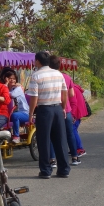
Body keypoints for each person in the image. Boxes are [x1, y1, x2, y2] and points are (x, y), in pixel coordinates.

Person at [27, 51, 70, 179]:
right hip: (57, 108)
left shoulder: (36, 76)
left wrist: (30, 114)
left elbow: (34, 98)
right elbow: (65, 94)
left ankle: (46, 170)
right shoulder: (58, 74)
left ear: (38, 61)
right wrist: (62, 108)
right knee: (60, 139)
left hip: (44, 110)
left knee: (44, 140)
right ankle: (64, 169)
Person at [48, 56, 80, 166]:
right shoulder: (66, 77)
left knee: (52, 135)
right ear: (60, 65)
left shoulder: (46, 77)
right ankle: (75, 157)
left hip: (52, 108)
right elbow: (71, 94)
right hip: (66, 109)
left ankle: (52, 160)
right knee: (69, 134)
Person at [2, 69, 29, 144]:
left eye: (14, 78)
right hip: (12, 114)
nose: (12, 80)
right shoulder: (6, 89)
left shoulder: (18, 88)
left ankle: (16, 136)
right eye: (10, 78)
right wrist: (6, 85)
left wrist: (6, 86)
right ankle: (7, 136)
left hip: (25, 113)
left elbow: (11, 95)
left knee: (15, 115)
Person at [70, 83, 89, 156]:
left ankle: (80, 149)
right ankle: (74, 148)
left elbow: (73, 102)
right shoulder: (75, 87)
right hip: (79, 111)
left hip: (76, 112)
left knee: (72, 130)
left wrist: (73, 115)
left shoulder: (72, 89)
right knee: (73, 130)